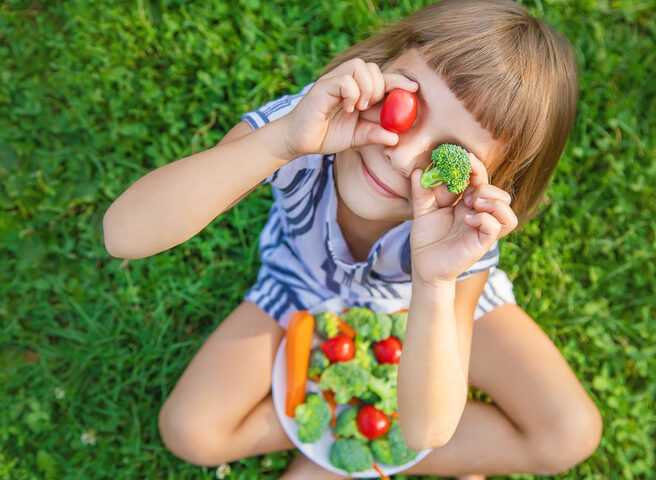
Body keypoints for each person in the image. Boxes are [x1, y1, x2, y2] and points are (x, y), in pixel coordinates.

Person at [103, 0, 602, 478]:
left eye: (449, 160)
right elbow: (122, 234)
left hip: (422, 302)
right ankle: (339, 435)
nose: (402, 157)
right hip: (300, 284)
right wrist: (279, 142)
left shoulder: (460, 231)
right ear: (380, 64)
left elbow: (427, 429)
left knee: (571, 432)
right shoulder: (305, 124)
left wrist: (433, 281)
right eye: (404, 105)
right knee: (190, 430)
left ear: (490, 186)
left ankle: (341, 454)